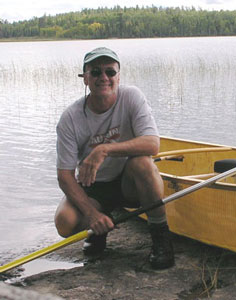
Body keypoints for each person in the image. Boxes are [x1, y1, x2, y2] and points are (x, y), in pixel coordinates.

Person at [54, 47, 174, 270]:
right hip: (94, 187)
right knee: (64, 222)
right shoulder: (70, 118)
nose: (104, 78)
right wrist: (91, 214)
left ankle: (161, 238)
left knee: (143, 163)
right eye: (96, 72)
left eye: (110, 72)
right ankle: (98, 228)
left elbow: (152, 144)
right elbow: (64, 176)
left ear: (119, 76)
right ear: (85, 78)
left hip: (128, 182)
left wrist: (104, 150)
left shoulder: (132, 97)